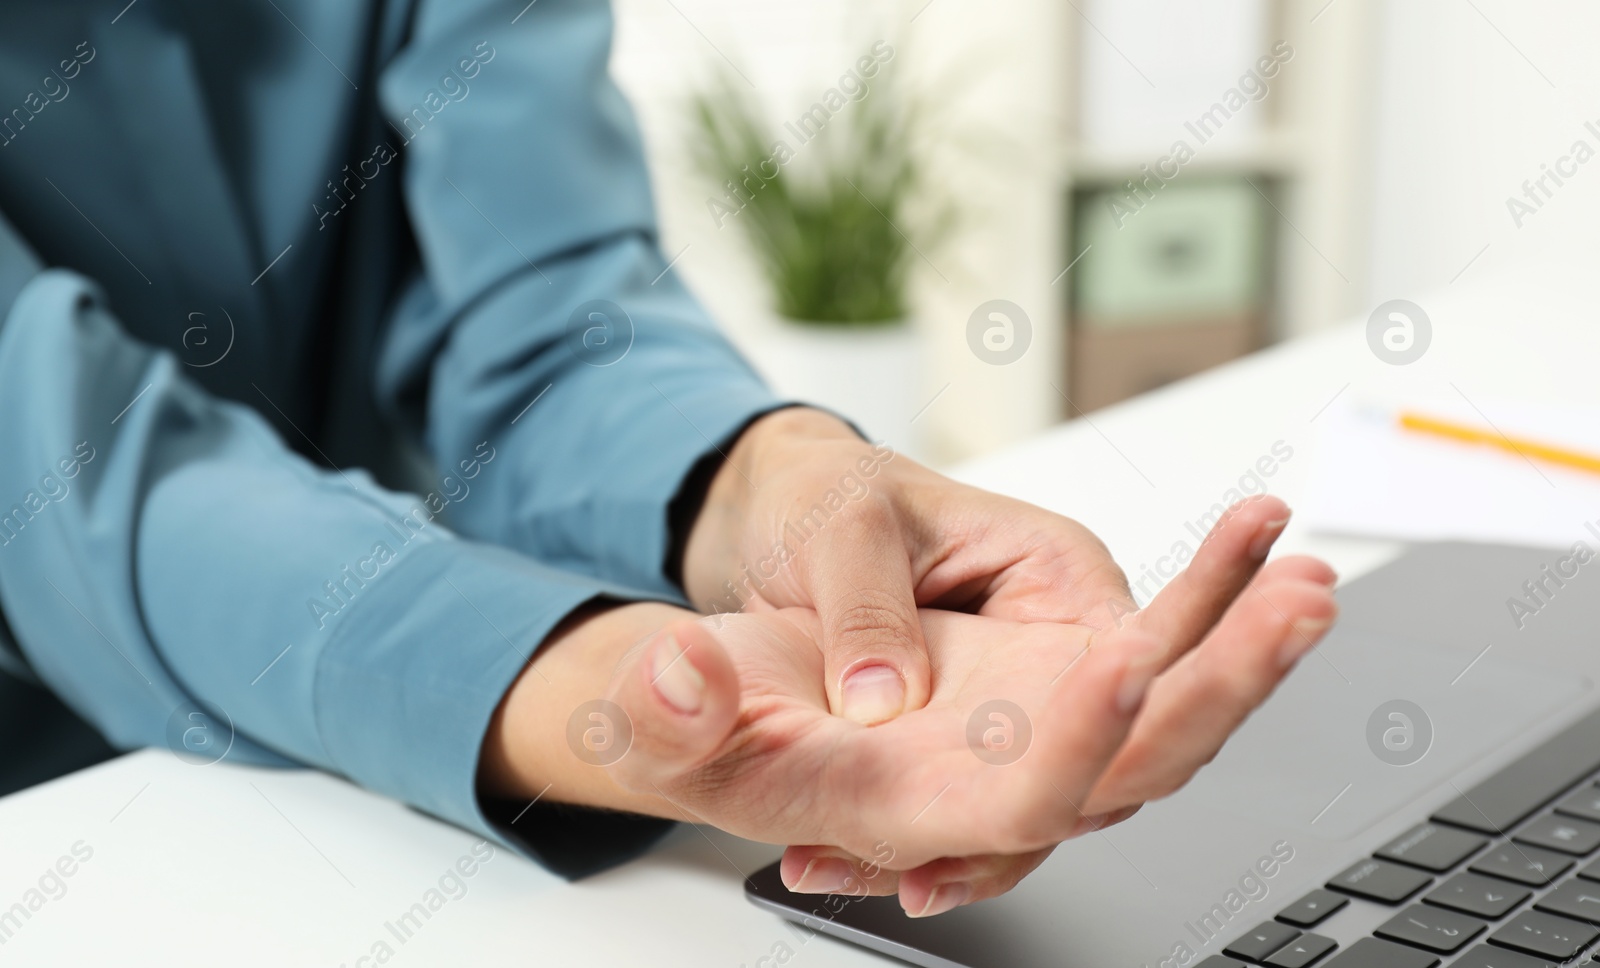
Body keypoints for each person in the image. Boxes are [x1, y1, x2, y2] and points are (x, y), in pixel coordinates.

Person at [0, 0, 1337, 918]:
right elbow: (66, 478)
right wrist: (598, 685)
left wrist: (781, 480)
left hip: (373, 792)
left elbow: (548, 323)